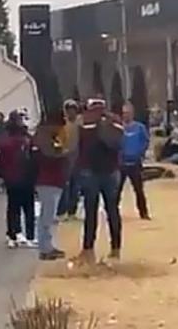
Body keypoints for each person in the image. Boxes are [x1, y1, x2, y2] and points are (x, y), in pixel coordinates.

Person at [78, 99, 124, 263]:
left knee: (91, 212)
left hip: (93, 172)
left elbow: (80, 146)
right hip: (110, 171)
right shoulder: (115, 122)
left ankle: (88, 250)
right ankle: (115, 249)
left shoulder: (86, 123)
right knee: (112, 211)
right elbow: (119, 143)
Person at [0, 110, 36, 249]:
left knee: (13, 208)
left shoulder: (4, 141)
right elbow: (35, 159)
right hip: (27, 178)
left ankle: (12, 235)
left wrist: (0, 177)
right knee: (28, 208)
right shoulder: (28, 140)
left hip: (12, 179)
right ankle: (30, 236)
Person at [34, 112, 69, 260]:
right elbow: (50, 157)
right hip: (48, 181)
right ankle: (45, 248)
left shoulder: (43, 136)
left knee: (47, 216)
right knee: (47, 217)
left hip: (50, 181)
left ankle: (46, 246)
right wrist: (64, 154)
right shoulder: (45, 138)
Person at [118, 102, 150, 220]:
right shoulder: (119, 128)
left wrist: (140, 153)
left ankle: (143, 212)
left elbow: (146, 141)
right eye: (124, 113)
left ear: (133, 114)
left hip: (135, 163)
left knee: (139, 190)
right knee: (117, 190)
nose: (126, 115)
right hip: (122, 164)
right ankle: (113, 212)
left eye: (128, 113)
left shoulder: (139, 127)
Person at [56, 100, 82, 219]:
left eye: (73, 110)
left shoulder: (80, 124)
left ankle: (72, 211)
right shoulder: (62, 125)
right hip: (64, 159)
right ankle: (62, 211)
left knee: (75, 187)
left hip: (78, 159)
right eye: (69, 110)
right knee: (64, 187)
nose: (71, 113)